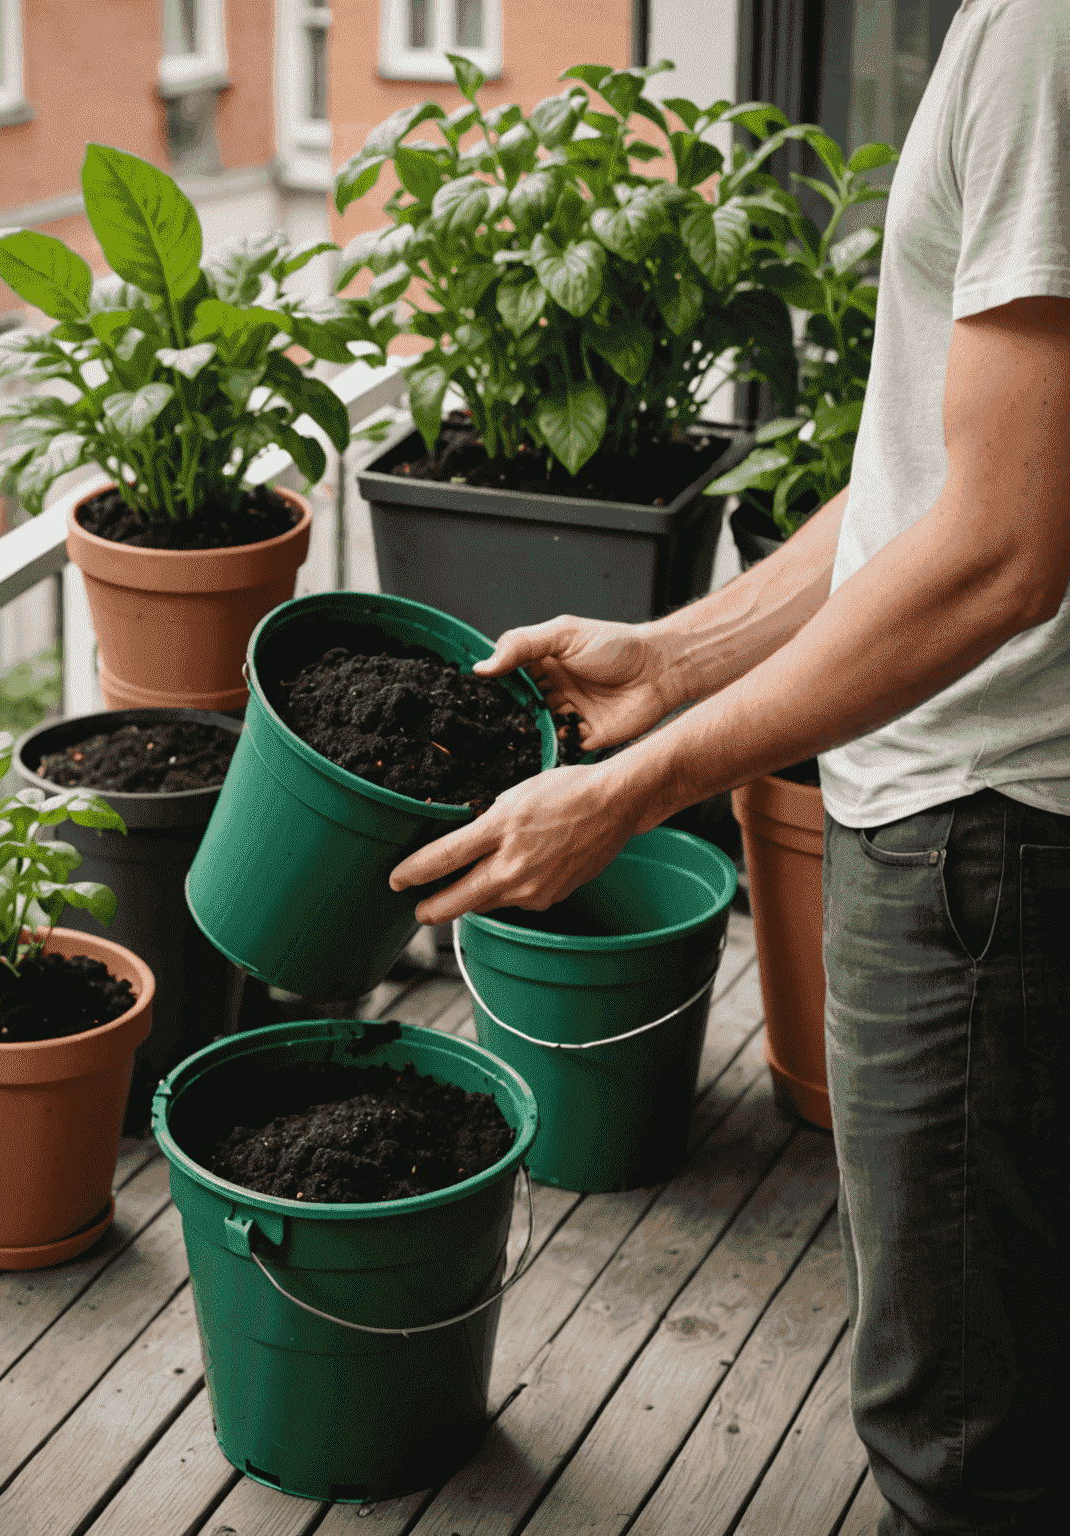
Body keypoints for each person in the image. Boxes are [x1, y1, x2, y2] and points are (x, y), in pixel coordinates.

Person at [389, 3, 1070, 1531]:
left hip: (994, 842)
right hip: (993, 831)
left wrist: (628, 792)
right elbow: (946, 471)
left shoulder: (1049, 41)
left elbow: (1004, 550)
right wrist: (680, 656)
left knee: (964, 1449)